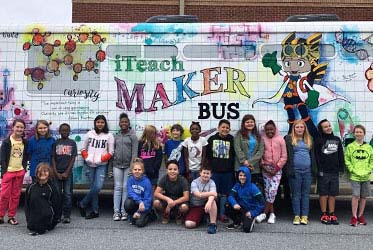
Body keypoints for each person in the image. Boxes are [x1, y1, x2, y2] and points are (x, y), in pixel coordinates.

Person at [77, 115, 114, 219]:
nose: (100, 124)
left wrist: (100, 159)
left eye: (102, 122)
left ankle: (82, 203)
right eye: (98, 122)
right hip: (89, 165)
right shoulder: (90, 134)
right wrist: (87, 157)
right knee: (94, 187)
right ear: (95, 123)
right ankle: (95, 210)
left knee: (97, 187)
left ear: (105, 123)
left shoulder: (109, 135)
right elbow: (83, 149)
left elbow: (111, 152)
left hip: (101, 165)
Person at [285, 119, 316, 225]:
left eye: (301, 127)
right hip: (295, 171)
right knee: (296, 194)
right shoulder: (289, 139)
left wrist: (314, 170)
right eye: (297, 127)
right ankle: (297, 215)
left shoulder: (309, 139)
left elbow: (313, 156)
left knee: (305, 194)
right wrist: (289, 170)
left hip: (307, 171)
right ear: (293, 128)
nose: (299, 129)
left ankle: (305, 216)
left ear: (304, 128)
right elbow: (287, 156)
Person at [315, 119, 345, 225]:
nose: (328, 128)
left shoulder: (337, 139)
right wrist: (319, 170)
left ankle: (332, 213)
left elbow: (340, 155)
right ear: (321, 129)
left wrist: (341, 168)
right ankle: (324, 214)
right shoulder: (319, 141)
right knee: (323, 194)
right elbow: (317, 157)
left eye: (329, 126)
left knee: (332, 194)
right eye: (325, 127)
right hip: (323, 172)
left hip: (334, 172)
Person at [256, 120, 287, 224]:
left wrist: (276, 169)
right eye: (267, 129)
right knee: (267, 191)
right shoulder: (262, 139)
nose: (270, 131)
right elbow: (259, 155)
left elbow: (284, 156)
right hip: (265, 169)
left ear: (275, 129)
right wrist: (265, 167)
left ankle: (264, 213)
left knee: (273, 191)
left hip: (277, 170)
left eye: (271, 129)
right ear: (264, 130)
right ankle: (272, 214)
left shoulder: (280, 139)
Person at [206, 119, 235, 223]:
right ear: (218, 128)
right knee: (213, 193)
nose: (225, 129)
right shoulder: (211, 139)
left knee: (224, 194)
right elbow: (208, 155)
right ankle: (212, 213)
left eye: (227, 128)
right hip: (215, 171)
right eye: (223, 127)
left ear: (229, 129)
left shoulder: (232, 139)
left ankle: (222, 214)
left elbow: (233, 155)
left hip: (227, 172)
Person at [0, 119, 28, 225]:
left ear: (24, 129)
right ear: (13, 127)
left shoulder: (24, 142)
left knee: (15, 195)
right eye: (17, 127)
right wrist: (4, 172)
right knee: (4, 195)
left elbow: (26, 157)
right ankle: (1, 215)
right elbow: (2, 158)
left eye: (21, 127)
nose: (19, 129)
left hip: (19, 172)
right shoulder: (7, 142)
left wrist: (24, 169)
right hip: (8, 172)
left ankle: (11, 216)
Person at [344, 124, 373, 227]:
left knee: (364, 196)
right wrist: (352, 169)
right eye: (356, 132)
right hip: (355, 176)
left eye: (360, 132)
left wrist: (369, 170)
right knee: (356, 196)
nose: (358, 134)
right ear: (354, 133)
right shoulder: (350, 147)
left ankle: (361, 215)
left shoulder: (369, 147)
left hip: (365, 175)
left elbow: (372, 160)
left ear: (364, 134)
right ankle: (354, 216)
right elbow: (347, 160)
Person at [112, 113, 138, 221]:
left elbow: (134, 153)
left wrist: (132, 167)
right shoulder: (115, 136)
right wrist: (110, 169)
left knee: (125, 187)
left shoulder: (133, 136)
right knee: (117, 187)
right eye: (122, 122)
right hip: (117, 165)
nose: (124, 123)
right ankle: (116, 212)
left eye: (126, 122)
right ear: (119, 123)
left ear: (128, 123)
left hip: (128, 166)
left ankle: (124, 211)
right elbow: (112, 152)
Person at [25, 163, 62, 235]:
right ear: (36, 173)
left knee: (41, 230)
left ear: (49, 173)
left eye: (45, 171)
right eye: (40, 171)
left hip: (48, 222)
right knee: (32, 228)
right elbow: (27, 206)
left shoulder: (52, 188)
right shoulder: (31, 187)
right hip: (32, 222)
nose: (43, 173)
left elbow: (57, 206)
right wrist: (29, 220)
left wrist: (54, 222)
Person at [225, 166, 265, 233]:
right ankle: (237, 222)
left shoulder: (253, 188)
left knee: (247, 229)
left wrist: (253, 213)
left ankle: (251, 219)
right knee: (227, 205)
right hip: (241, 208)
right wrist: (234, 203)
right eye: (240, 175)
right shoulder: (237, 185)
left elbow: (262, 203)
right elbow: (231, 196)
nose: (242, 177)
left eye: (244, 175)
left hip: (250, 210)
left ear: (248, 176)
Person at [51, 123, 77, 224]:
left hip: (68, 173)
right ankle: (57, 214)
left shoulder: (72, 143)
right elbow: (53, 157)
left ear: (69, 131)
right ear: (59, 131)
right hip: (57, 172)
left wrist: (67, 172)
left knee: (67, 194)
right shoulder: (56, 143)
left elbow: (73, 158)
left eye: (66, 130)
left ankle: (66, 215)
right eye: (63, 130)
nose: (64, 132)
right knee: (57, 194)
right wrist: (56, 172)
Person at [234, 114, 264, 191]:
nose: (250, 123)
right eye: (247, 122)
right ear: (243, 124)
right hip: (241, 166)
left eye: (251, 122)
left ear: (254, 123)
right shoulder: (239, 135)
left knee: (253, 189)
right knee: (241, 188)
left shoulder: (258, 136)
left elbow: (260, 151)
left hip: (254, 168)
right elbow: (237, 148)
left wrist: (250, 162)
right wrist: (244, 161)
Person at [153, 160, 189, 224]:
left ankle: (179, 215)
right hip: (167, 200)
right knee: (156, 202)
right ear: (167, 170)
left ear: (178, 171)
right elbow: (156, 193)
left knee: (184, 207)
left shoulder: (183, 180)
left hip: (179, 201)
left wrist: (173, 203)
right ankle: (165, 214)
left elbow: (186, 197)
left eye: (175, 169)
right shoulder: (164, 178)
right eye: (170, 169)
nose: (172, 171)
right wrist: (168, 199)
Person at [185, 166, 218, 234]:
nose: (205, 175)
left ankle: (213, 225)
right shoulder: (194, 182)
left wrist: (209, 202)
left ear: (211, 175)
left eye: (208, 173)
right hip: (196, 206)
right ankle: (202, 218)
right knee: (189, 224)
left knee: (212, 201)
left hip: (207, 205)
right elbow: (198, 195)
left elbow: (213, 195)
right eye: (204, 173)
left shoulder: (212, 182)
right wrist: (211, 193)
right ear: (200, 173)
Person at [124, 158, 154, 227]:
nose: (137, 171)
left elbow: (148, 199)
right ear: (132, 170)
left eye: (139, 170)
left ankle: (150, 214)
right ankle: (132, 215)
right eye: (135, 170)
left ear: (142, 171)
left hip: (145, 204)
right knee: (128, 203)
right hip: (137, 202)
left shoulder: (147, 182)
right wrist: (140, 201)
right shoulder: (130, 179)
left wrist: (139, 211)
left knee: (139, 224)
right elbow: (130, 193)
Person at [138, 125, 162, 190]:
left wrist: (153, 170)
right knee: (142, 190)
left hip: (153, 174)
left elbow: (159, 160)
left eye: (154, 133)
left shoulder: (157, 145)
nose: (153, 135)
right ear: (146, 133)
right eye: (151, 133)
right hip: (142, 173)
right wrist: (140, 169)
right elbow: (138, 157)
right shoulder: (140, 144)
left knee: (151, 191)